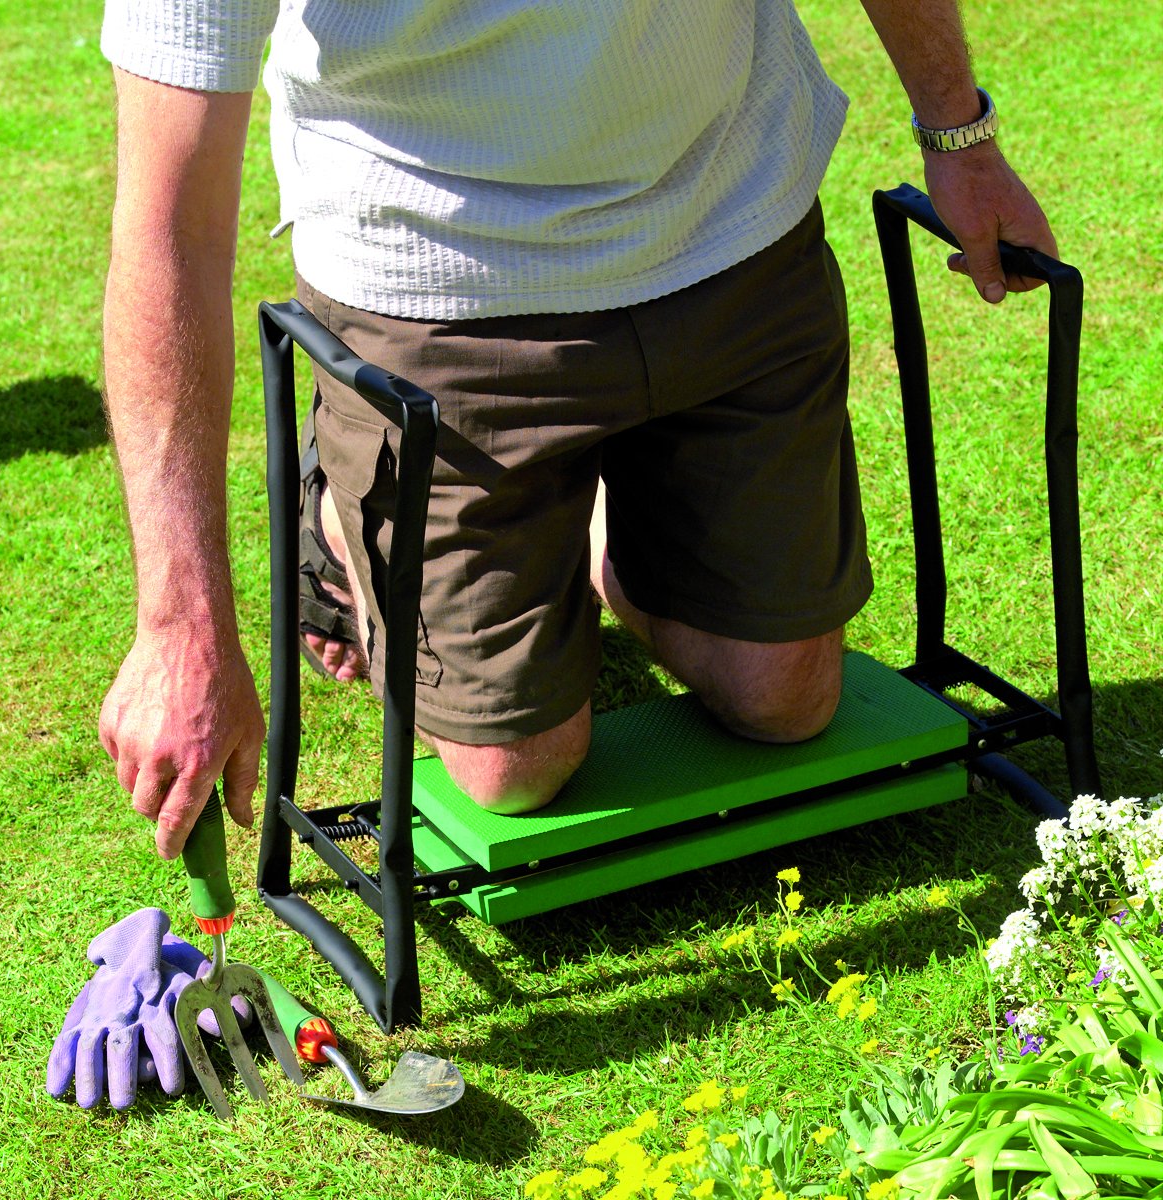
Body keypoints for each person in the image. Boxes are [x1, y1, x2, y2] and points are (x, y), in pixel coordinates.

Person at [96, 0, 1057, 861]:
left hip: (728, 224)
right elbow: (168, 227)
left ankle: (581, 495)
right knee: (514, 767)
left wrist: (960, 136)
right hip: (438, 294)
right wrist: (181, 627)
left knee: (786, 699)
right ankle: (341, 504)